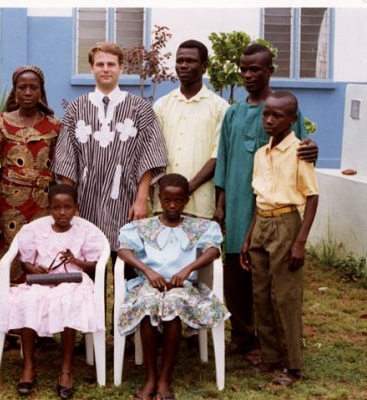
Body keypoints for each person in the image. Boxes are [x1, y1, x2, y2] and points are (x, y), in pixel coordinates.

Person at [213, 43, 319, 357]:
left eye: (255, 69)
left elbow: (301, 149)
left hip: (274, 208)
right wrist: (221, 203)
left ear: (269, 71)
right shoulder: (233, 112)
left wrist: (314, 148)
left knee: (275, 276)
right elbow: (225, 157)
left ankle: (274, 342)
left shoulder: (282, 109)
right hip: (237, 201)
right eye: (243, 69)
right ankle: (243, 336)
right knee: (236, 271)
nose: (247, 75)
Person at [117, 173, 229, 400]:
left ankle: (165, 378)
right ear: (159, 198)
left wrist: (187, 269)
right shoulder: (145, 227)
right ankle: (150, 377)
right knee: (148, 304)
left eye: (178, 201)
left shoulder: (197, 227)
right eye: (167, 200)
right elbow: (124, 250)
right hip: (150, 284)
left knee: (173, 304)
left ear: (186, 200)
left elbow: (213, 250)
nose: (172, 205)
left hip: (182, 287)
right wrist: (147, 270)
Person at [52, 42, 168, 257]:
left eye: (111, 64)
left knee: (127, 265)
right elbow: (66, 159)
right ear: (92, 68)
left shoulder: (140, 108)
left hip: (126, 198)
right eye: (100, 64)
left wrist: (142, 199)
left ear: (121, 68)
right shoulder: (75, 110)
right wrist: (70, 204)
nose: (106, 69)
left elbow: (149, 154)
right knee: (88, 263)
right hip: (86, 199)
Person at [0, 184, 106, 399]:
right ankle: (28, 366)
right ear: (49, 210)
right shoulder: (37, 231)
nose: (62, 212)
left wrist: (76, 260)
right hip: (43, 280)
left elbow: (94, 264)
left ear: (76, 208)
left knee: (68, 302)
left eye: (67, 207)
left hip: (73, 280)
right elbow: (27, 262)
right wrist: (35, 269)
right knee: (29, 300)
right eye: (56, 208)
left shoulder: (83, 232)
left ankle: (66, 370)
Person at [240, 91, 319, 386]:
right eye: (266, 114)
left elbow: (312, 198)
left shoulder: (300, 151)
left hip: (287, 224)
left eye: (277, 115)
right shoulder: (262, 153)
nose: (269, 120)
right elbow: (259, 197)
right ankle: (270, 356)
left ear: (292, 120)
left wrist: (300, 242)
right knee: (261, 294)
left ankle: (293, 365)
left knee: (285, 296)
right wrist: (249, 238)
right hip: (261, 222)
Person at [0, 65, 60, 283]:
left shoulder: (54, 125)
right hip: (9, 205)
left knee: (41, 254)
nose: (28, 92)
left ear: (41, 91)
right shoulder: (1, 123)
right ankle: (12, 312)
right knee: (13, 254)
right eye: (23, 87)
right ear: (15, 91)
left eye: (34, 87)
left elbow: (59, 168)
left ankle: (40, 312)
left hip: (43, 203)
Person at [153, 39, 229, 219]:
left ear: (204, 67)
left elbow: (218, 156)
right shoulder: (162, 105)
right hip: (164, 206)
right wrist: (168, 193)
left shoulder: (220, 107)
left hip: (201, 206)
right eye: (179, 61)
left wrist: (187, 189)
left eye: (190, 61)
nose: (183, 66)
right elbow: (153, 153)